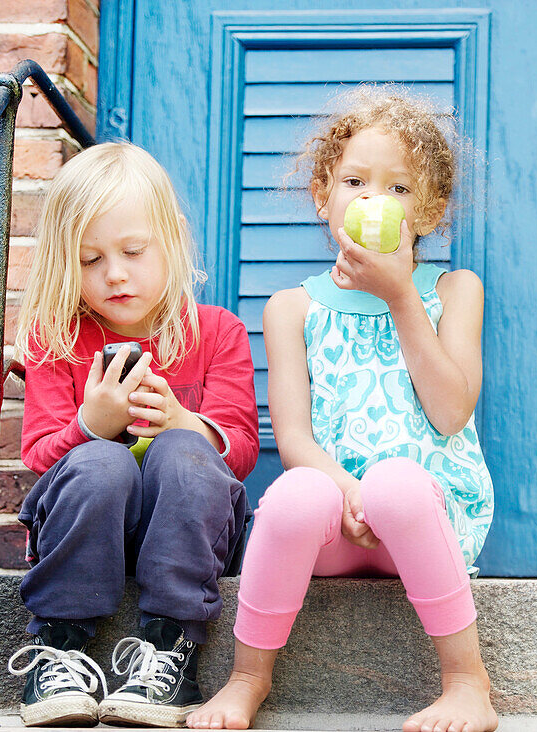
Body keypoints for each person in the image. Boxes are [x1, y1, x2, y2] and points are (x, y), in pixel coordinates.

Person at [187, 87, 498, 731]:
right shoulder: (291, 308)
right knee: (296, 493)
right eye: (355, 181)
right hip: (335, 523)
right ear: (323, 196)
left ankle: (467, 681)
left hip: (424, 521)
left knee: (398, 485)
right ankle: (248, 676)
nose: (372, 200)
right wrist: (350, 494)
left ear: (432, 207)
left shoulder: (453, 291)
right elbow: (294, 438)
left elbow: (450, 412)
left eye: (398, 188)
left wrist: (400, 296)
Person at [5, 142, 258, 727]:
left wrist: (182, 422)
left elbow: (241, 450)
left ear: (171, 239)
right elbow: (40, 456)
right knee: (102, 462)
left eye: (133, 251)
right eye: (90, 259)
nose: (114, 274)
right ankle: (60, 648)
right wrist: (92, 424)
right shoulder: (57, 339)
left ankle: (169, 648)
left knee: (183, 451)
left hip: (188, 528)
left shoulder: (218, 332)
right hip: (87, 518)